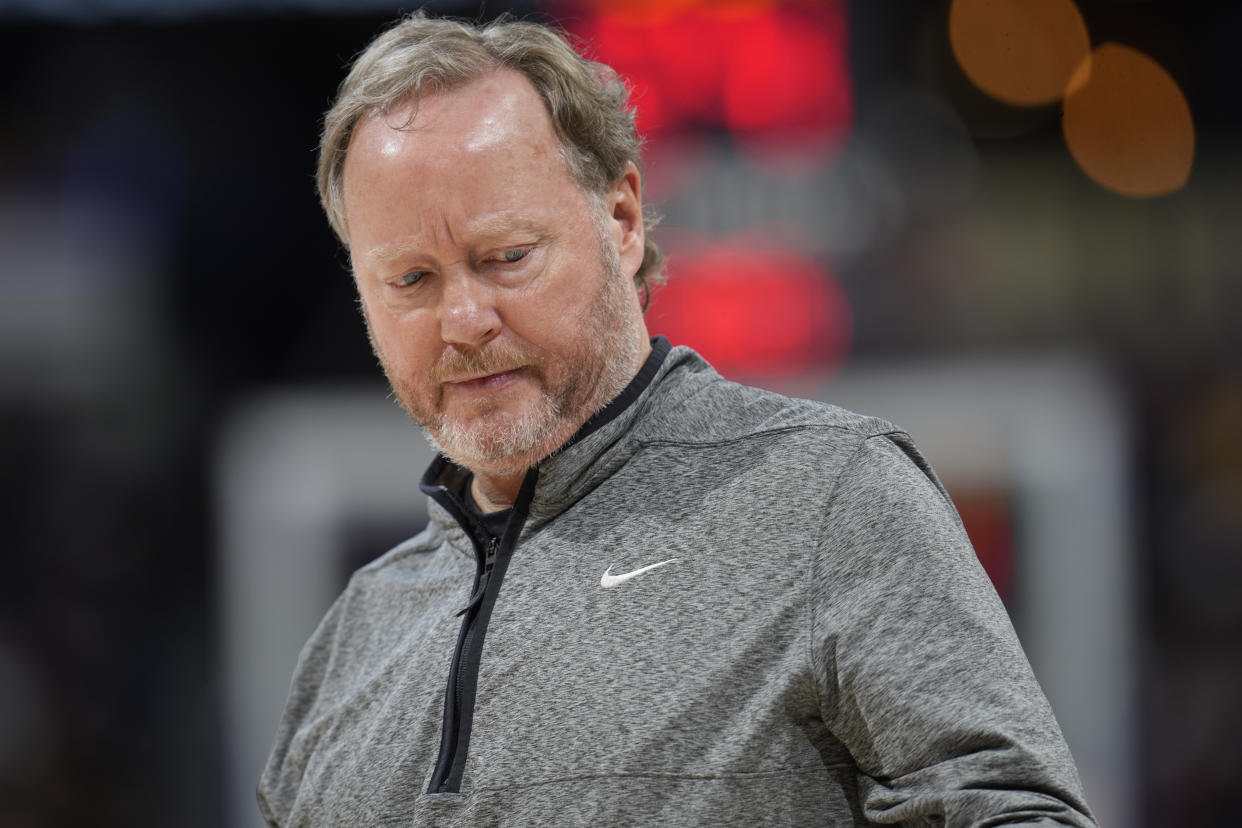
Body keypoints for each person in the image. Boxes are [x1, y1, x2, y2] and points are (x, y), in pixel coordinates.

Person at [258, 12, 1097, 827]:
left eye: (507, 257)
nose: (464, 318)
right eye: (410, 280)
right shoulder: (353, 640)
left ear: (620, 220)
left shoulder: (829, 500)